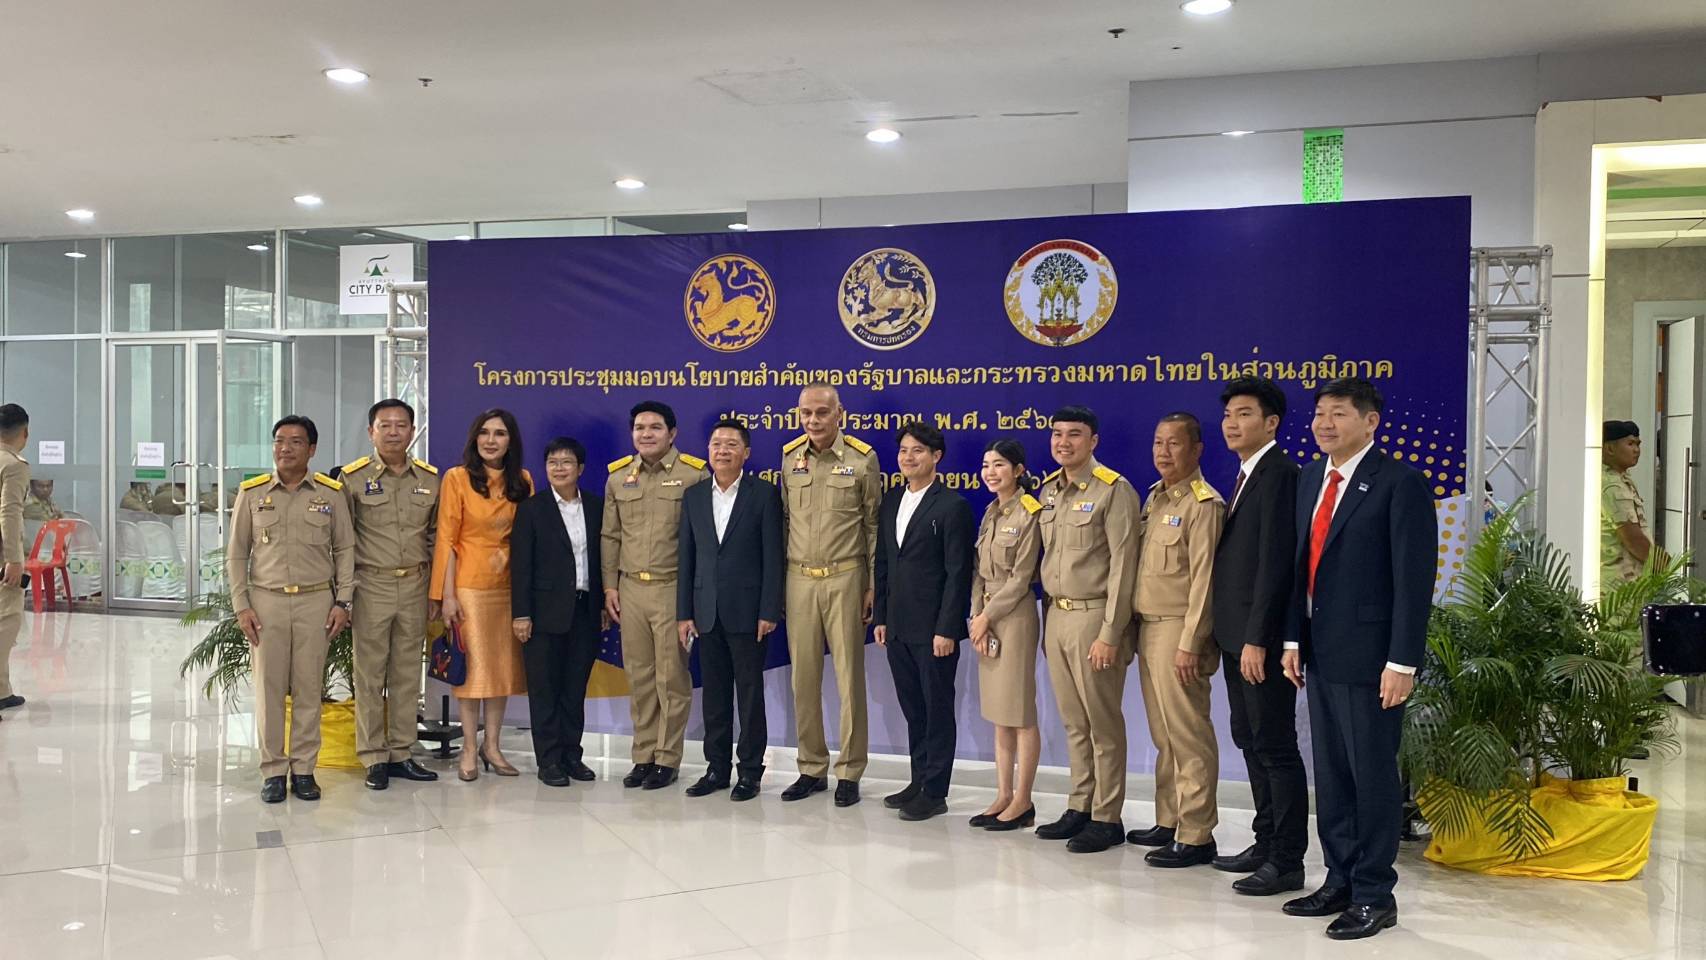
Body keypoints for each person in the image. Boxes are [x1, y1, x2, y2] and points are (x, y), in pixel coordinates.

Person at [1281, 377, 1435, 940]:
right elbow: (1301, 566)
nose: (1324, 424)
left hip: (1373, 659)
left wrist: (1402, 662)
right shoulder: (1311, 478)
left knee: (1371, 777)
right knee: (1333, 775)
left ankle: (1374, 893)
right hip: (1320, 652)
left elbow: (1413, 582)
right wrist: (1293, 640)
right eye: (1319, 413)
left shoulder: (1400, 483)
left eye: (1339, 413)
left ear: (1370, 422)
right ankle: (1339, 878)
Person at [1210, 378, 1307, 895]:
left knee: (1274, 744)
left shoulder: (1280, 474)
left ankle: (1287, 859)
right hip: (1235, 636)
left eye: (1244, 414)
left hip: (1258, 641)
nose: (1232, 423)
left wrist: (1258, 639)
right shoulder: (1247, 473)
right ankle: (1265, 841)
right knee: (1249, 738)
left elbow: (1275, 565)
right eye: (1228, 414)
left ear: (1271, 423)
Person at [227, 415, 355, 803]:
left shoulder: (330, 494)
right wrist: (241, 605)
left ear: (311, 449)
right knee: (268, 690)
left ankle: (303, 770)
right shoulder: (252, 493)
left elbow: (344, 548)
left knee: (308, 688)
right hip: (266, 602)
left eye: (296, 442)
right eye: (279, 441)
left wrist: (343, 601)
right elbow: (237, 554)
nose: (285, 448)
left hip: (316, 601)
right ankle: (272, 770)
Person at [1034, 405, 1140, 853]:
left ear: (1093, 440)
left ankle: (1107, 815)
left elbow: (1123, 566)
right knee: (1074, 722)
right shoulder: (1049, 491)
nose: (1064, 442)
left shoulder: (1113, 490)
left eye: (1074, 434)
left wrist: (1111, 633)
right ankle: (1080, 804)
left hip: (1094, 618)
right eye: (1057, 434)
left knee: (1102, 722)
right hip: (1057, 617)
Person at [1128, 413, 1225, 868]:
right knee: (1163, 734)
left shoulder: (1203, 504)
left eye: (1174, 443)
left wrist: (1191, 641)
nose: (1163, 452)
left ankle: (1197, 832)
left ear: (1197, 449)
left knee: (1188, 734)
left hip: (1178, 630)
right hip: (1149, 628)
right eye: (1157, 443)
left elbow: (1205, 581)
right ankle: (1169, 819)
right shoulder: (1155, 498)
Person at [779, 382, 881, 807]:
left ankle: (850, 771)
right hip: (799, 578)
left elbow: (872, 525)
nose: (813, 421)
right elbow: (786, 521)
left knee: (848, 680)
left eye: (822, 412)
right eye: (806, 413)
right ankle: (811, 767)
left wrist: (871, 584)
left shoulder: (862, 458)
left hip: (846, 576)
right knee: (803, 679)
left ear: (840, 413)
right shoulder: (790, 458)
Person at [601, 400, 707, 791]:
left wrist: (692, 598)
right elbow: (610, 535)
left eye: (655, 427)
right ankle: (643, 755)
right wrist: (610, 585)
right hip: (630, 589)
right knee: (640, 677)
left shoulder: (694, 475)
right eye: (640, 428)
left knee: (671, 678)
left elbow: (701, 541)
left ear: (672, 433)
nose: (646, 434)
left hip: (671, 589)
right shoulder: (618, 478)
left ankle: (667, 758)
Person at [677, 418, 783, 801]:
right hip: (706, 611)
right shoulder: (693, 496)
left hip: (749, 612)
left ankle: (750, 772)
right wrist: (683, 612)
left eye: (731, 444)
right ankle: (716, 769)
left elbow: (773, 557)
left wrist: (769, 609)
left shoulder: (763, 494)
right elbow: (687, 558)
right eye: (716, 444)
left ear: (746, 452)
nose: (722, 450)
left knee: (750, 695)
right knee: (714, 695)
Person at [873, 422, 975, 822]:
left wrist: (947, 628)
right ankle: (918, 780)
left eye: (917, 450)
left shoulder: (951, 506)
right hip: (898, 625)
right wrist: (881, 616)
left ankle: (935, 791)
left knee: (937, 710)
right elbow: (883, 562)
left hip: (934, 630)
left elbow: (957, 573)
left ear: (936, 456)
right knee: (913, 709)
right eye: (903, 450)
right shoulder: (892, 500)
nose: (908, 457)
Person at [340, 399, 441, 791]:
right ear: (371, 432)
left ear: (413, 431)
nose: (394, 432)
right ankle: (372, 757)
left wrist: (434, 590)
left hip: (415, 584)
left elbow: (434, 537)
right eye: (386, 425)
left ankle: (400, 752)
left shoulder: (430, 479)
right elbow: (342, 541)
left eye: (402, 425)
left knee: (406, 673)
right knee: (369, 674)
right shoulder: (352, 479)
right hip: (371, 585)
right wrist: (344, 595)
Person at [432, 408, 533, 782]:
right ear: (475, 438)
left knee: (501, 669)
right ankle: (469, 750)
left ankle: (493, 745)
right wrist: (447, 596)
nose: (491, 440)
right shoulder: (457, 478)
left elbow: (528, 536)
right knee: (471, 671)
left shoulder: (523, 480)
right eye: (485, 433)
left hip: (509, 586)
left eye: (500, 433)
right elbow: (447, 538)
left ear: (511, 441)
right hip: (469, 586)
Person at [512, 436, 606, 787]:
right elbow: (521, 566)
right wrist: (521, 614)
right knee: (544, 689)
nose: (559, 468)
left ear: (580, 468)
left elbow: (603, 559)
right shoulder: (531, 509)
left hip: (585, 611)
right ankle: (549, 759)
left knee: (574, 688)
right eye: (552, 462)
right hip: (542, 614)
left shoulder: (596, 506)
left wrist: (602, 603)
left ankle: (572, 756)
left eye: (566, 462)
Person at [968, 439, 1044, 831]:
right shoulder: (990, 512)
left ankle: (1023, 800)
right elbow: (978, 572)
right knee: (999, 712)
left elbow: (1020, 579)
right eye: (986, 465)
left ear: (1018, 470)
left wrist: (987, 617)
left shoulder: (1030, 512)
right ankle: (1002, 794)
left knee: (1019, 712)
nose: (991, 472)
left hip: (1013, 617)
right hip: (987, 617)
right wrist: (976, 616)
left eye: (999, 465)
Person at [0, 404, 29, 715]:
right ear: (25, 433)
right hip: (3, 555)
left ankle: (3, 690)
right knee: (7, 621)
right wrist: (14, 559)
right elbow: (9, 512)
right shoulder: (13, 465)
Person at [1601, 420, 1653, 587]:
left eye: (1638, 444)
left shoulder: (1621, 479)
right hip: (1619, 586)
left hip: (1628, 582)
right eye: (1630, 444)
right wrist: (1665, 567)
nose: (1636, 450)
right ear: (1610, 449)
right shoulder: (1612, 486)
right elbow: (1633, 539)